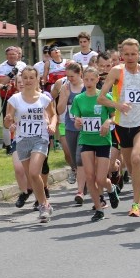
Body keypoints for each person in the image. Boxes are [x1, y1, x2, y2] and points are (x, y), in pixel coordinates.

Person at [99, 38, 140, 217]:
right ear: (121, 55)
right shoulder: (117, 72)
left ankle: (135, 204)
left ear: (139, 54)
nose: (130, 57)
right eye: (126, 54)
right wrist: (118, 106)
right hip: (123, 124)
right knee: (132, 170)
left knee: (136, 157)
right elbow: (101, 98)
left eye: (133, 54)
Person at [4, 67, 57, 222]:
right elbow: (7, 123)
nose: (28, 81)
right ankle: (44, 204)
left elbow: (54, 115)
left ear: (37, 79)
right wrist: (9, 122)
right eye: (25, 78)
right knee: (31, 177)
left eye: (31, 78)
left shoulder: (44, 99)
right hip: (22, 140)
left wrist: (52, 125)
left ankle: (43, 205)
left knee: (34, 172)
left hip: (40, 138)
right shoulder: (14, 100)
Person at [71, 66, 118, 220]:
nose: (89, 82)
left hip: (103, 140)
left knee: (100, 178)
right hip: (86, 140)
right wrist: (77, 122)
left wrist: (108, 122)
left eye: (92, 79)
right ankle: (98, 209)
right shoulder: (79, 99)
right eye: (86, 79)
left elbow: (114, 116)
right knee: (90, 177)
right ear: (82, 79)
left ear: (98, 79)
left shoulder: (105, 97)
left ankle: (110, 189)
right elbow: (76, 119)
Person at [55, 62, 87, 202]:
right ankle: (83, 182)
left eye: (72, 76)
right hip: (70, 126)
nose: (70, 79)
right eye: (67, 76)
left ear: (80, 73)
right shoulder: (65, 87)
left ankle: (79, 191)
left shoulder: (87, 86)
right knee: (74, 159)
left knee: (80, 158)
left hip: (86, 128)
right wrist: (65, 95)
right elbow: (60, 110)